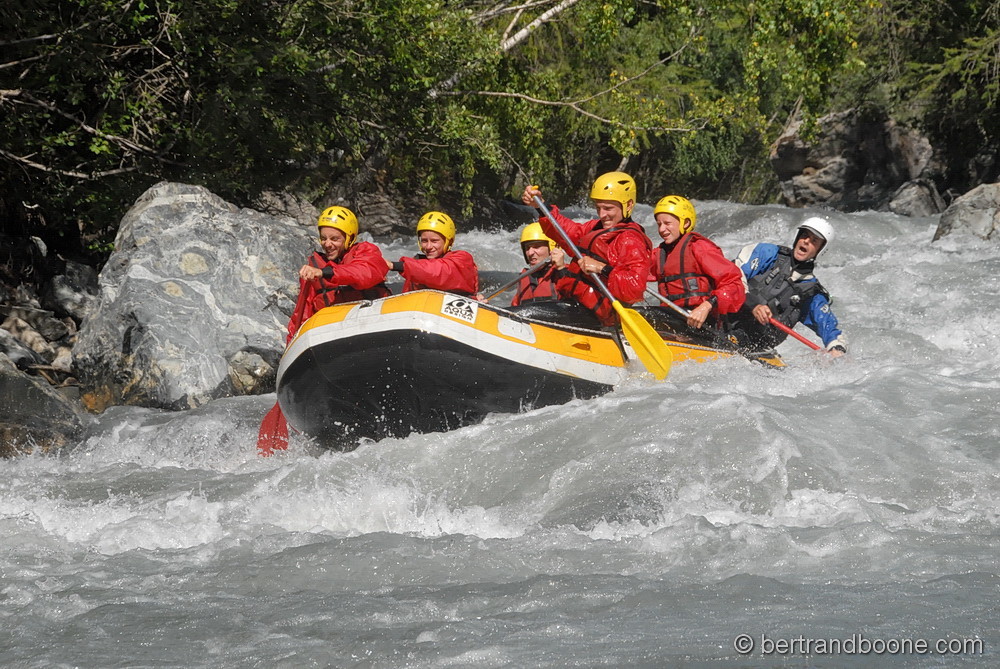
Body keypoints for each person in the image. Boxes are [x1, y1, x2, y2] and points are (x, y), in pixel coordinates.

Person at [521, 172, 652, 325]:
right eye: (598, 208)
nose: (602, 215)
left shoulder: (631, 240)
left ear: (628, 205)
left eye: (608, 208)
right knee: (530, 311)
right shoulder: (595, 228)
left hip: (601, 316)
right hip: (578, 302)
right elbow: (566, 231)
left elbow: (635, 289)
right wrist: (540, 206)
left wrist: (602, 268)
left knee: (530, 316)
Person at [729, 217, 847, 357]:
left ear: (821, 250)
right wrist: (753, 304)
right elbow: (732, 275)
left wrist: (837, 349)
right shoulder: (767, 253)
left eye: (814, 241)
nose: (806, 241)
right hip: (725, 321)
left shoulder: (811, 294)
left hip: (753, 346)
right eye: (804, 235)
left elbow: (830, 329)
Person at [286, 206, 391, 344]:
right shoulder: (314, 267)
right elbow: (301, 314)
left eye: (334, 239)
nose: (327, 244)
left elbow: (362, 272)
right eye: (323, 238)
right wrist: (292, 345)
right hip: (334, 336)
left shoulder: (367, 252)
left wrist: (326, 272)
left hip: (370, 329)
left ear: (350, 238)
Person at [649, 195, 745, 329]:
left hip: (703, 323)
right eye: (659, 224)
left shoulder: (700, 248)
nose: (661, 229)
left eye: (667, 223)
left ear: (686, 223)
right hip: (673, 319)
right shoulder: (660, 253)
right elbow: (636, 269)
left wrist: (706, 306)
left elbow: (734, 284)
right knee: (642, 315)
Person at [387, 211, 479, 296]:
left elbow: (437, 271)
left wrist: (394, 265)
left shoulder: (462, 259)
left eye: (434, 241)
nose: (428, 246)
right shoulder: (417, 263)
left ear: (449, 242)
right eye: (424, 241)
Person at [510, 221, 565, 307]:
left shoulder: (566, 275)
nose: (530, 253)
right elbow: (511, 313)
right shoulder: (525, 278)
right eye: (527, 248)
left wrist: (562, 270)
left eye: (536, 247)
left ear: (552, 248)